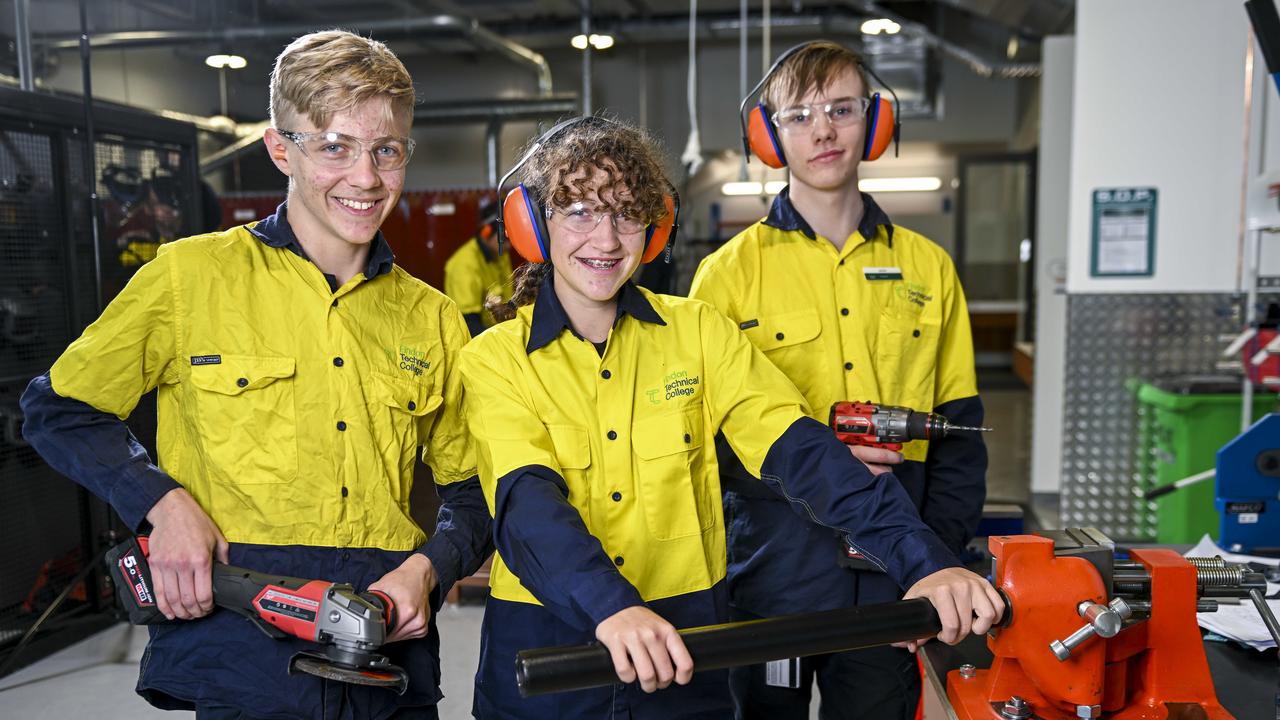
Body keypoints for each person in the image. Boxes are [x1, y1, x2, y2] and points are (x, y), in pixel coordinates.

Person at [458, 115, 1002, 719]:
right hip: (546, 646)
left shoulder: (700, 334)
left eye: (625, 213)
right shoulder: (493, 359)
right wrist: (614, 607)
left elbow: (803, 452)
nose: (607, 240)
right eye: (580, 211)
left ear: (655, 225)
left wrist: (923, 561)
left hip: (687, 644)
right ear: (534, 223)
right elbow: (527, 504)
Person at [20, 30, 491, 720]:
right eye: (334, 146)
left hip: (384, 647)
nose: (365, 178)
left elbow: (473, 490)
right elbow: (59, 409)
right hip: (240, 643)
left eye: (386, 150)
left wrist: (430, 569)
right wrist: (162, 504)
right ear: (281, 149)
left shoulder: (433, 318)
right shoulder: (189, 278)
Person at [689, 40, 988, 720]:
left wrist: (930, 564)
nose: (823, 130)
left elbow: (961, 443)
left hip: (890, 575)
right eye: (798, 115)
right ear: (768, 135)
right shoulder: (726, 276)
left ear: (876, 123)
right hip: (772, 571)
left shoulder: (929, 268)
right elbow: (702, 442)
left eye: (842, 109)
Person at [443, 197, 513, 336]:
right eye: (504, 240)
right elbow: (468, 324)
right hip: (479, 342)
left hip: (501, 332)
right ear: (486, 232)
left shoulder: (500, 254)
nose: (509, 246)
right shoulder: (464, 264)